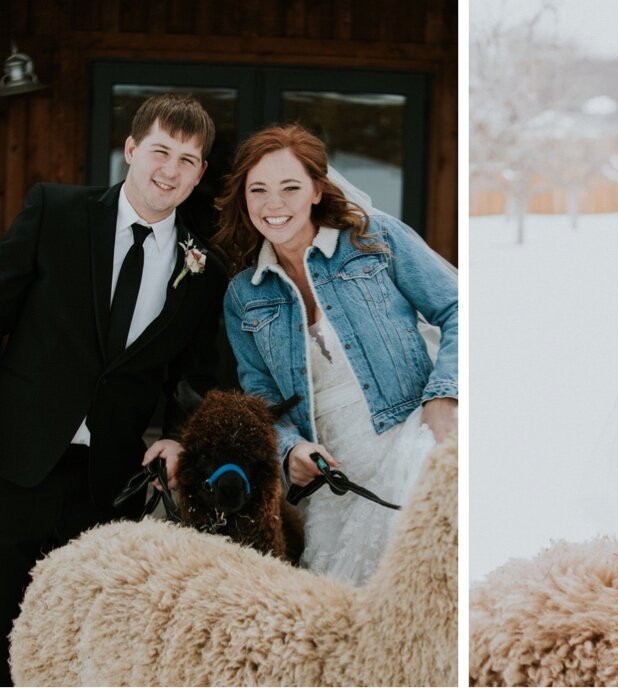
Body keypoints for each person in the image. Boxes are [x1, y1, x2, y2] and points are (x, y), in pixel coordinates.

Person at [0, 93, 226, 686]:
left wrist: (180, 440)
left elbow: (198, 379)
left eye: (187, 159)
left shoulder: (204, 264)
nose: (169, 170)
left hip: (109, 482)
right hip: (17, 459)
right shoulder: (57, 211)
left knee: (77, 640)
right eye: (159, 151)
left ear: (200, 173)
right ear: (130, 149)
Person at [215, 124, 457, 586]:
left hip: (410, 438)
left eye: (290, 187)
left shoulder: (372, 238)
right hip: (334, 476)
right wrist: (290, 450)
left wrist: (443, 396)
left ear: (317, 190)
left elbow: (457, 305)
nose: (274, 204)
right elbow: (261, 395)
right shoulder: (242, 296)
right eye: (258, 190)